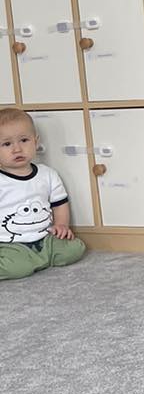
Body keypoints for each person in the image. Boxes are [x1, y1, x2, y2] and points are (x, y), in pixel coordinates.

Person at [0, 107, 87, 279]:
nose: (17, 149)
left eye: (24, 140)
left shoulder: (47, 174)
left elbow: (59, 204)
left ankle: (38, 258)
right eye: (7, 144)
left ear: (35, 141)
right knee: (18, 268)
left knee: (75, 249)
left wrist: (62, 225)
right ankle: (27, 261)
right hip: (10, 243)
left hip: (46, 238)